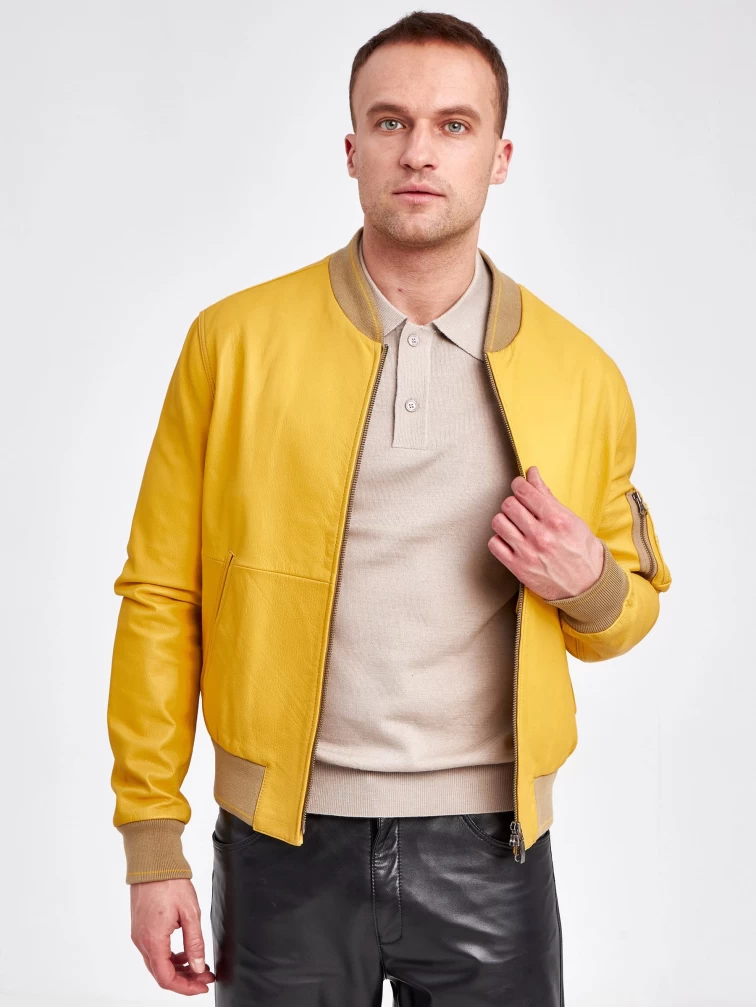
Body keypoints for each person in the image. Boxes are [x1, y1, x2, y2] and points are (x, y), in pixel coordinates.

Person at [107, 10, 672, 1004]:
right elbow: (161, 594)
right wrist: (153, 841)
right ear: (352, 149)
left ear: (499, 157)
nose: (419, 150)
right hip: (281, 846)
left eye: (454, 125)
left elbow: (626, 614)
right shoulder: (232, 344)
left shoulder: (582, 377)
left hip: (494, 850)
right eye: (390, 121)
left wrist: (586, 579)